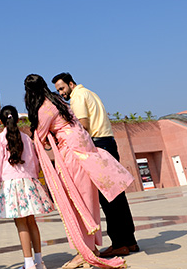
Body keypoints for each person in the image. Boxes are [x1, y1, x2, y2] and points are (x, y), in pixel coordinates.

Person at [24, 74, 134, 269]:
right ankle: (101, 246)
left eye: (62, 88)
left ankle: (85, 251)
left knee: (77, 202)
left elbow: (38, 137)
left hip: (72, 153)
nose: (61, 92)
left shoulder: (45, 108)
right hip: (86, 148)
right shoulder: (59, 103)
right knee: (90, 200)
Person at [52, 73, 139, 257]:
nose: (61, 93)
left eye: (62, 88)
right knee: (117, 195)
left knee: (107, 198)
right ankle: (130, 241)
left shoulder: (77, 97)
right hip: (108, 142)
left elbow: (83, 125)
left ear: (71, 83)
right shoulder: (91, 93)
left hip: (98, 145)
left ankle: (119, 243)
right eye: (58, 90)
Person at [0, 105, 54, 269]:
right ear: (18, 120)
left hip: (11, 185)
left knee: (21, 224)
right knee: (32, 222)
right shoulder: (26, 137)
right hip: (29, 182)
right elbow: (35, 162)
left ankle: (28, 263)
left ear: (1, 121)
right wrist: (34, 179)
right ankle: (39, 262)